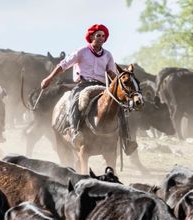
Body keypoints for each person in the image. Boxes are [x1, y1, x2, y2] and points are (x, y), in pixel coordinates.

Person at [40, 24, 138, 154]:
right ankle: (75, 131)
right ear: (91, 37)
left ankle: (127, 140)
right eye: (98, 35)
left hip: (102, 86)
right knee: (76, 99)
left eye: (103, 36)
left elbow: (112, 74)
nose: (101, 38)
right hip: (83, 85)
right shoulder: (82, 51)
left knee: (118, 106)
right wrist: (49, 78)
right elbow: (64, 65)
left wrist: (120, 85)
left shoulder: (108, 55)